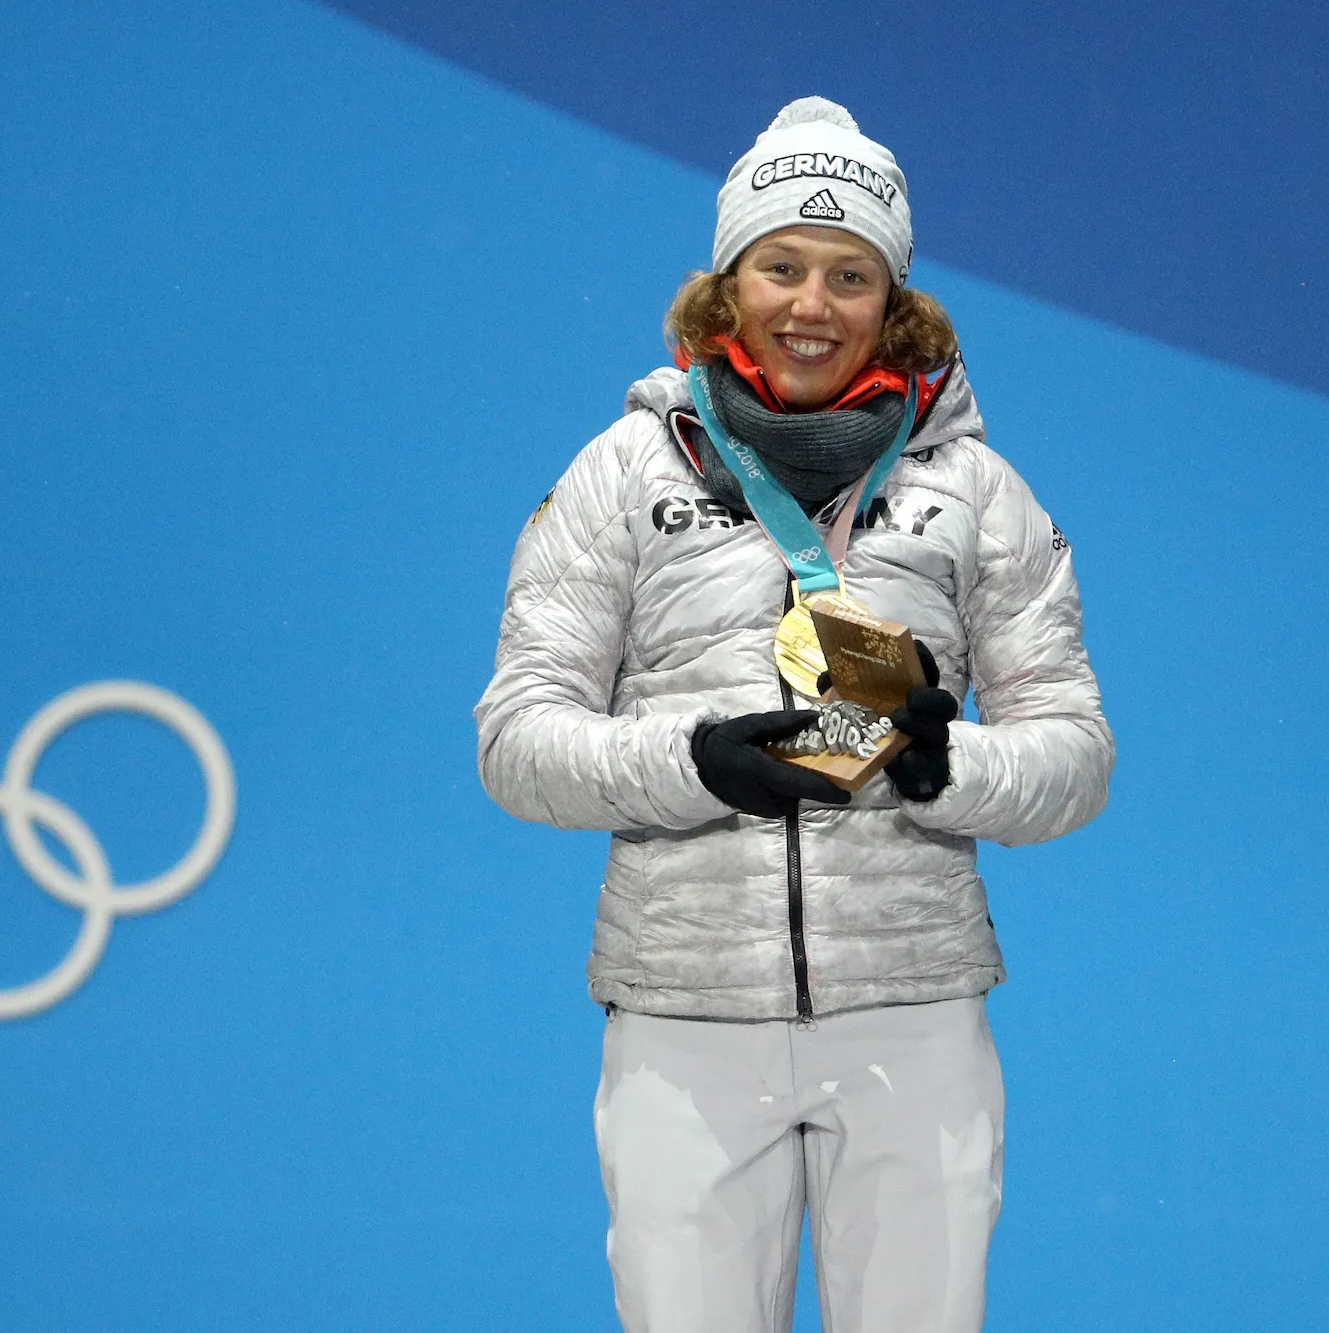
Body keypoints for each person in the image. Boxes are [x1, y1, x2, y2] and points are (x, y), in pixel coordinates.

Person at [474, 97, 1113, 1333]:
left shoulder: (975, 491)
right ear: (726, 287)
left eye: (847, 274)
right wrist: (694, 761)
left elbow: (1074, 753)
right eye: (778, 267)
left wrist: (948, 767)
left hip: (912, 1010)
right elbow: (515, 739)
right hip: (680, 1013)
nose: (809, 304)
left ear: (894, 303)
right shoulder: (623, 473)